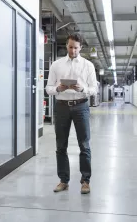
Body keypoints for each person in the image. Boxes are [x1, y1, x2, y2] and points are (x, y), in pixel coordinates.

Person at [45, 33, 98, 194]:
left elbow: (94, 89)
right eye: (70, 47)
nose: (73, 50)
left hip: (81, 106)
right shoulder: (56, 65)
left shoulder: (88, 66)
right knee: (61, 145)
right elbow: (48, 88)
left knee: (84, 144)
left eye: (76, 47)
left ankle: (85, 181)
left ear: (80, 47)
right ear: (66, 46)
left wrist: (83, 89)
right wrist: (58, 89)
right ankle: (63, 180)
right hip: (61, 106)